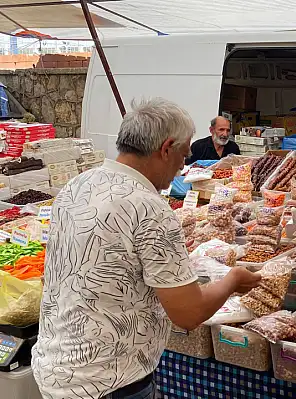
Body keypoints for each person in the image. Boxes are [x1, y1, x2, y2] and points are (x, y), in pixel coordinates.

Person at [32, 98, 261, 399]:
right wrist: (232, 280)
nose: (183, 166)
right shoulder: (149, 207)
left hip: (56, 366)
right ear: (166, 149)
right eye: (183, 155)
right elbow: (189, 313)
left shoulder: (78, 184)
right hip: (109, 381)